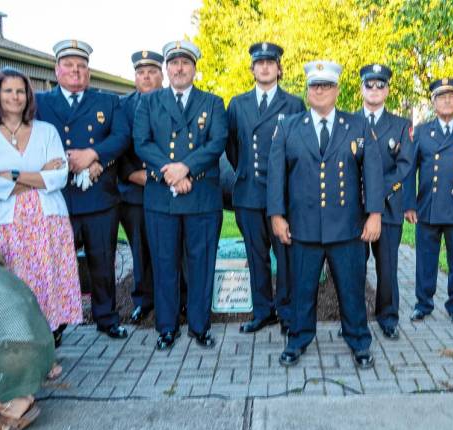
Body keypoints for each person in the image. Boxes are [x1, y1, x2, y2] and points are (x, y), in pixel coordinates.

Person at [268, 60, 383, 369]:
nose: (319, 91)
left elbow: (372, 171)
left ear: (337, 90)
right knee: (301, 290)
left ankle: (359, 341)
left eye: (326, 85)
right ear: (307, 91)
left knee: (351, 289)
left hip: (347, 228)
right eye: (314, 86)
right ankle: (298, 339)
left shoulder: (357, 125)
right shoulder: (289, 126)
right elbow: (276, 174)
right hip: (302, 228)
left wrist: (374, 214)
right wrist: (276, 215)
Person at [134, 40, 227, 350]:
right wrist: (170, 173)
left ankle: (200, 327)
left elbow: (217, 143)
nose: (179, 68)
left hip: (201, 196)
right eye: (173, 63)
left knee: (201, 264)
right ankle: (167, 327)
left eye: (185, 63)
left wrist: (186, 168)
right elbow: (142, 143)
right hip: (162, 197)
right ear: (167, 69)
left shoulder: (212, 102)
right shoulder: (149, 103)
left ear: (194, 69)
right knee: (164, 264)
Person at [0, 67, 82, 346]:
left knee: (45, 283)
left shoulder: (46, 131)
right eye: (8, 91)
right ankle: (12, 349)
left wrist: (12, 175)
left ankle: (46, 346)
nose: (15, 97)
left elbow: (59, 176)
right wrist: (39, 174)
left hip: (46, 222)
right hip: (3, 224)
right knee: (9, 286)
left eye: (20, 91)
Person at [35, 40, 129, 339]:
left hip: (99, 198)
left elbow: (122, 136)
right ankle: (55, 324)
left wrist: (95, 155)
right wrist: (63, 161)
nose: (76, 71)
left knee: (102, 262)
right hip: (57, 198)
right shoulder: (40, 102)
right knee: (56, 265)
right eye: (69, 65)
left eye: (82, 66)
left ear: (88, 71)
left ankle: (106, 318)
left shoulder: (107, 101)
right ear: (56, 69)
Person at [226, 42, 305, 335]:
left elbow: (299, 149)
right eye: (259, 63)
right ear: (252, 68)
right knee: (256, 256)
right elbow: (233, 148)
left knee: (284, 258)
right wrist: (246, 170)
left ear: (279, 68)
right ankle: (262, 312)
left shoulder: (294, 104)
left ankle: (286, 312)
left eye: (270, 62)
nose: (265, 67)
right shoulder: (237, 104)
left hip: (282, 197)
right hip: (248, 194)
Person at [404, 78, 453, 325]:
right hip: (427, 206)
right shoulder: (422, 132)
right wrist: (409, 204)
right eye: (442, 97)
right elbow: (410, 170)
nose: (447, 101)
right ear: (433, 102)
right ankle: (423, 303)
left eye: (452, 97)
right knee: (425, 260)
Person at [358, 64, 413, 340]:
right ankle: (355, 316)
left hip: (388, 206)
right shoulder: (350, 122)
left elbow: (404, 166)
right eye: (370, 85)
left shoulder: (401, 126)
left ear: (388, 90)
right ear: (361, 88)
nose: (375, 90)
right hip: (355, 208)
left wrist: (377, 196)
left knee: (387, 266)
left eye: (381, 85)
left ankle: (388, 317)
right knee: (355, 264)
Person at [0, 235, 56, 430]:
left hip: (8, 365)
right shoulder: (0, 275)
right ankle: (11, 397)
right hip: (34, 363)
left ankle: (7, 402)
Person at [117, 50, 164, 324]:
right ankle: (143, 301)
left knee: (173, 247)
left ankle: (178, 299)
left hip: (168, 186)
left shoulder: (172, 102)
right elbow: (117, 146)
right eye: (141, 72)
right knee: (140, 248)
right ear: (135, 76)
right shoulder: (122, 106)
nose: (146, 76)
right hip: (134, 190)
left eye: (152, 71)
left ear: (162, 74)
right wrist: (132, 174)